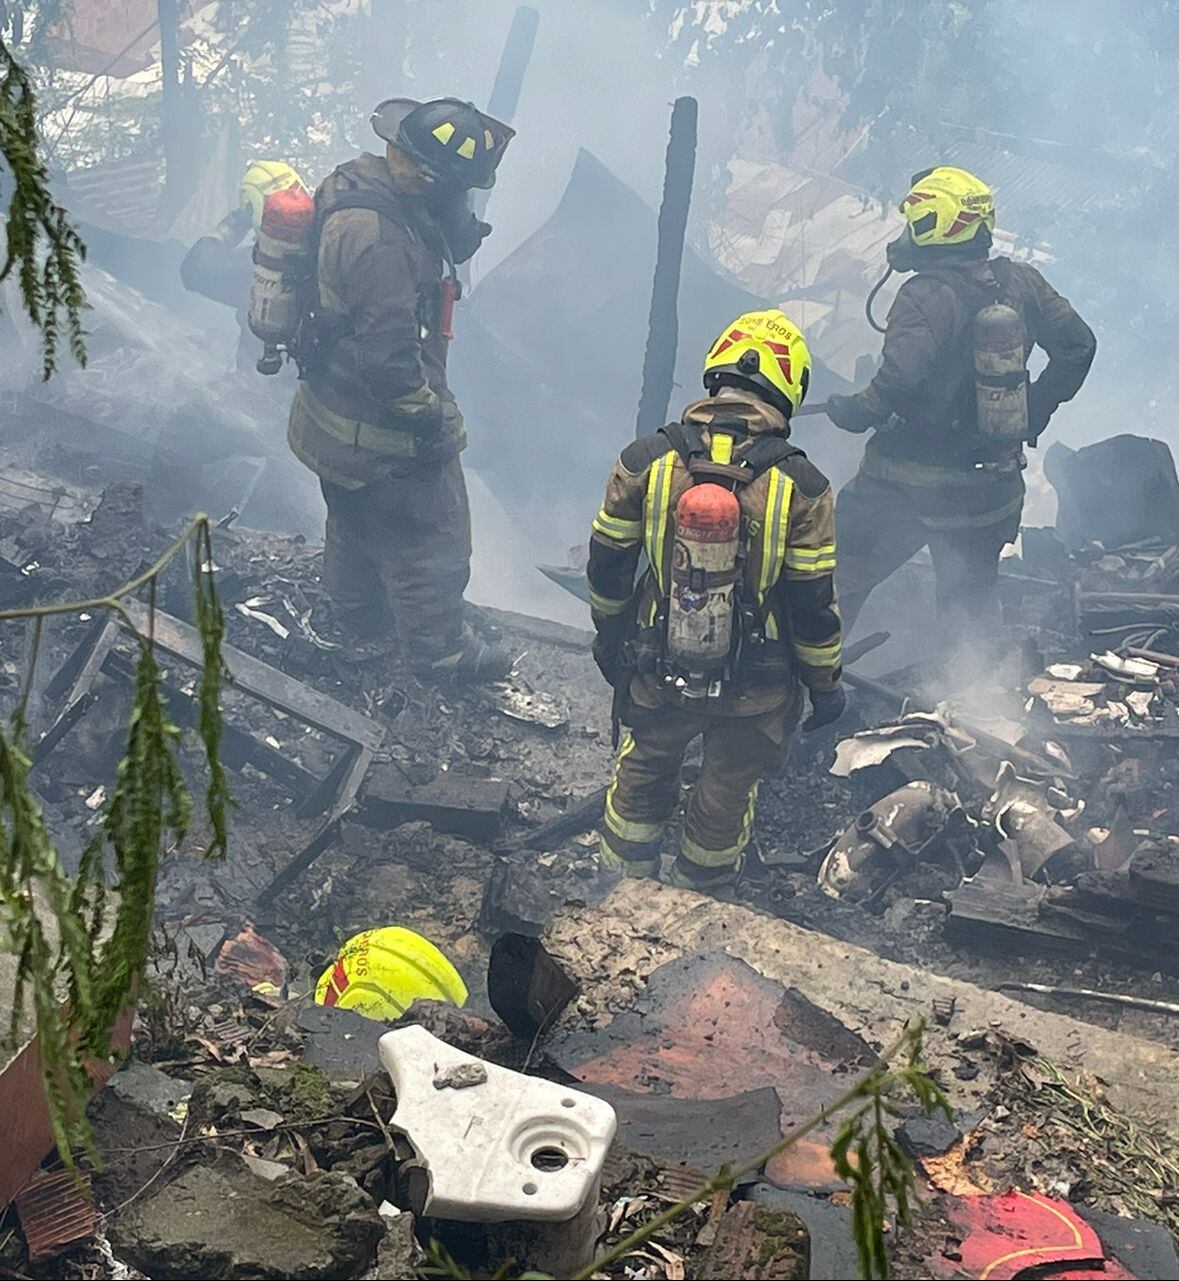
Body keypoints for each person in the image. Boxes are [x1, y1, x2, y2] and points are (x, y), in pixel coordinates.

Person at [588, 310, 845, 894]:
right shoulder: (804, 488)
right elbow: (813, 607)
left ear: (715, 373)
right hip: (757, 686)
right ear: (789, 389)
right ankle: (698, 914)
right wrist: (826, 684)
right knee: (726, 794)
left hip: (658, 665)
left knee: (644, 771)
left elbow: (607, 565)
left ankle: (610, 904)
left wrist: (610, 636)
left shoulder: (644, 460)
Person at [286, 98, 515, 681]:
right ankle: (440, 652)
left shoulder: (356, 183)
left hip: (330, 416)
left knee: (354, 516)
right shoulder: (381, 242)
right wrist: (433, 421)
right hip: (379, 424)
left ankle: (358, 617)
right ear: (431, 178)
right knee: (431, 535)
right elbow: (390, 362)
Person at [824, 166, 1096, 648]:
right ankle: (972, 704)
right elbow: (1078, 345)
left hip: (903, 488)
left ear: (935, 226)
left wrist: (856, 410)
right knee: (969, 610)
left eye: (915, 222)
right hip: (990, 493)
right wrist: (1035, 408)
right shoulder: (1025, 283)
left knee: (834, 582)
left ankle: (802, 690)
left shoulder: (923, 295)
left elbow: (900, 378)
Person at [180, 160, 308, 368]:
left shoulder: (257, 267)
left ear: (254, 207)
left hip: (261, 387)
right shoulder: (335, 244)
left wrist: (233, 225)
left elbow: (196, 270)